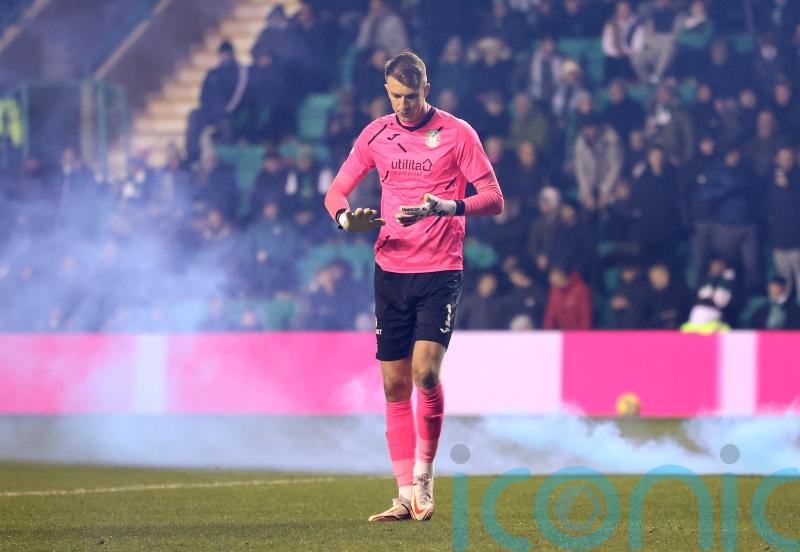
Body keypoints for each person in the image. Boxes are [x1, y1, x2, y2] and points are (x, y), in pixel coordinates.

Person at [323, 51, 503, 522]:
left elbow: (493, 198)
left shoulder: (458, 134)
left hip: (441, 268)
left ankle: (424, 478)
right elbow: (335, 191)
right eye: (396, 96)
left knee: (425, 373)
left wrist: (446, 208)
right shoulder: (375, 135)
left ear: (427, 88)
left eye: (412, 95)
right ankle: (404, 495)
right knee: (393, 384)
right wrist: (346, 219)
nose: (404, 105)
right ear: (387, 91)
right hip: (391, 270)